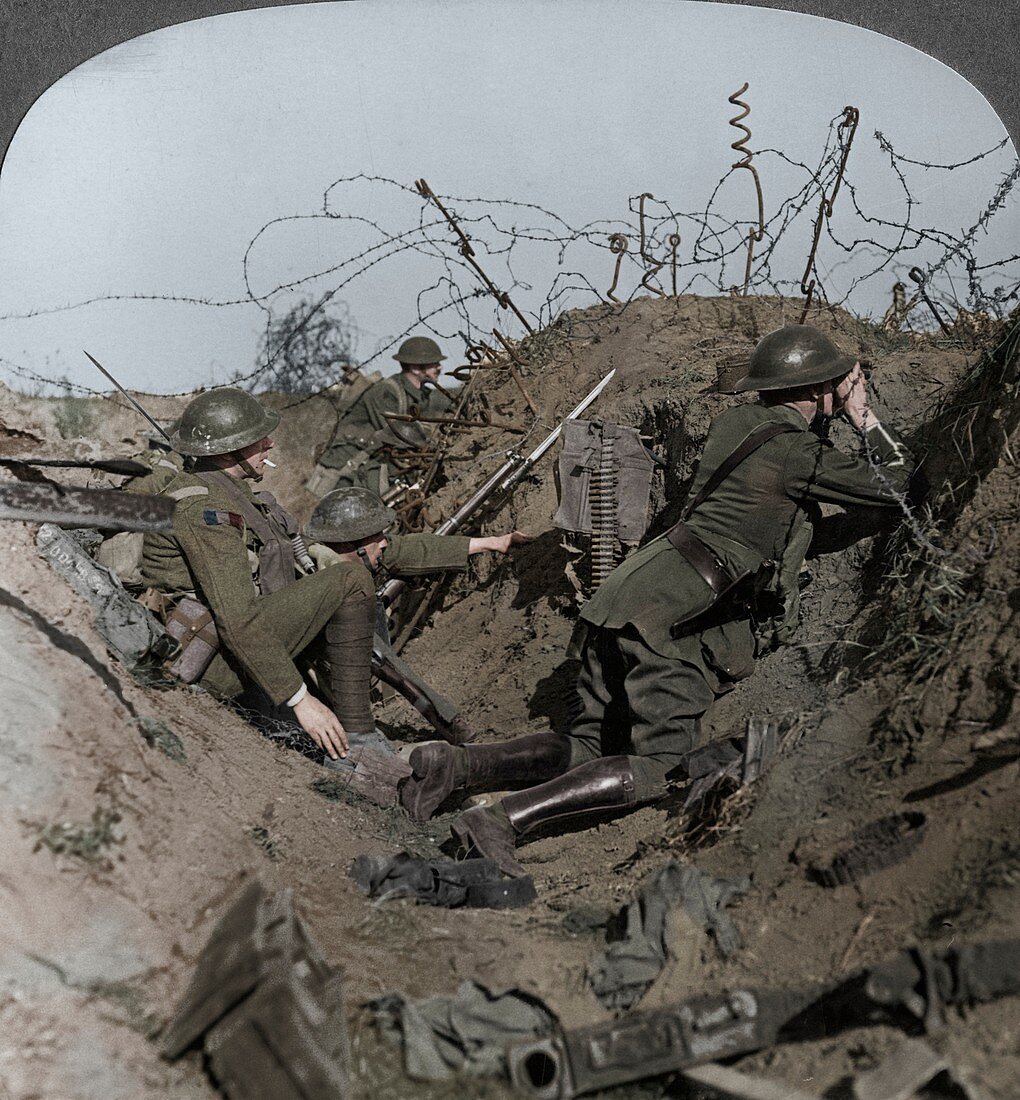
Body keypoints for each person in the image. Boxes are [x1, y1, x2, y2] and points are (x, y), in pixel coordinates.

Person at [400, 324, 918, 875]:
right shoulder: (795, 451)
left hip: (624, 594)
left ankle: (454, 766)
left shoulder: (738, 425)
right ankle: (497, 822)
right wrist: (864, 418)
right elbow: (898, 483)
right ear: (821, 390)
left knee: (590, 743)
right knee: (661, 765)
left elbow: (766, 525)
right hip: (673, 617)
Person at [140, 387, 378, 763]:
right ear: (227, 449)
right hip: (210, 663)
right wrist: (301, 699)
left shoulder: (231, 492)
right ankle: (358, 738)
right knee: (349, 580)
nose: (269, 443)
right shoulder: (205, 509)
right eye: (257, 439)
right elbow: (237, 619)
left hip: (226, 645)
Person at [304, 486, 528, 744]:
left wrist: (496, 542)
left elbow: (416, 548)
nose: (385, 542)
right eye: (378, 537)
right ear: (350, 546)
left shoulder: (356, 555)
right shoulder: (311, 578)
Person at [307, 336, 456, 498]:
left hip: (369, 466)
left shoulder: (420, 394)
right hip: (346, 468)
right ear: (415, 368)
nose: (440, 367)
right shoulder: (386, 392)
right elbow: (400, 435)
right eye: (434, 364)